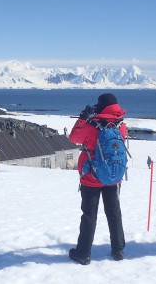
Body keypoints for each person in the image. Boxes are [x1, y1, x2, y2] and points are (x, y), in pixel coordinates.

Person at [68, 92, 127, 265]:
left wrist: (82, 118)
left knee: (89, 215)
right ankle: (118, 250)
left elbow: (73, 138)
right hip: (113, 177)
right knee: (114, 213)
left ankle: (83, 253)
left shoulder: (92, 125)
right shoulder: (121, 125)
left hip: (91, 177)